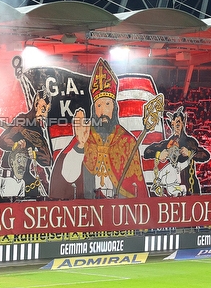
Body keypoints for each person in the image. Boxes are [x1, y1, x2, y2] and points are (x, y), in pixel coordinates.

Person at [49, 58, 145, 199]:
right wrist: (80, 145)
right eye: (99, 106)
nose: (103, 111)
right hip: (90, 210)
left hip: (119, 212)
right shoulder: (86, 136)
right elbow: (68, 177)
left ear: (114, 108)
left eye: (107, 104)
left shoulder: (127, 141)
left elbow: (137, 187)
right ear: (94, 110)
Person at [143, 106, 210, 195]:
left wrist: (189, 153)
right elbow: (147, 152)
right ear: (172, 124)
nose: (177, 125)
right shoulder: (167, 144)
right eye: (175, 122)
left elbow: (205, 155)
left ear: (183, 123)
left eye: (179, 122)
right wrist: (159, 155)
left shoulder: (190, 142)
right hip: (172, 188)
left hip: (189, 187)